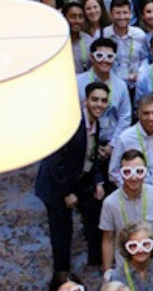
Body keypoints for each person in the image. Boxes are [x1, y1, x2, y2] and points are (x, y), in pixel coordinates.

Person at [35, 82, 109, 273]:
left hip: (78, 176)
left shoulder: (96, 121)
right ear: (85, 101)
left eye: (103, 101)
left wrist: (98, 181)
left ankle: (96, 259)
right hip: (56, 184)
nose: (99, 105)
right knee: (62, 230)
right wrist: (66, 193)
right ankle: (61, 274)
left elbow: (90, 155)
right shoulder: (70, 125)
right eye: (94, 100)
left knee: (94, 210)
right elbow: (54, 162)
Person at [99, 150, 153, 273]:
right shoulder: (110, 203)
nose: (133, 177)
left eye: (139, 171)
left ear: (146, 172)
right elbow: (108, 239)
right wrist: (107, 272)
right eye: (127, 172)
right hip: (124, 268)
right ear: (120, 173)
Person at [108, 94, 153, 185]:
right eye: (146, 113)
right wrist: (130, 188)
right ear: (138, 114)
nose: (151, 118)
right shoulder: (125, 138)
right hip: (136, 189)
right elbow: (113, 172)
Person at [76, 38, 132, 145]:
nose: (104, 60)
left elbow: (125, 117)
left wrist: (112, 145)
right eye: (99, 56)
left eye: (109, 57)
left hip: (111, 143)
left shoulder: (120, 85)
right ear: (92, 57)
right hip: (83, 142)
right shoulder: (78, 82)